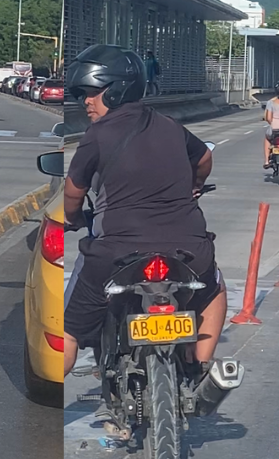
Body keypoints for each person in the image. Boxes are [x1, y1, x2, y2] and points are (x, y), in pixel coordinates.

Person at [61, 44, 226, 383]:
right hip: (190, 249)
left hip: (117, 252)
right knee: (213, 291)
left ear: (116, 91)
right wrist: (195, 186)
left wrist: (73, 218)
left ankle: (48, 399)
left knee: (68, 329)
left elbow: (73, 191)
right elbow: (204, 159)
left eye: (91, 93)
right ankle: (200, 371)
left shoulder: (96, 136)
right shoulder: (170, 126)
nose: (85, 102)